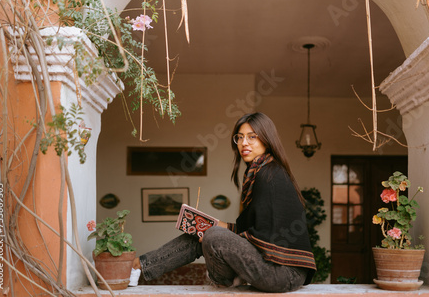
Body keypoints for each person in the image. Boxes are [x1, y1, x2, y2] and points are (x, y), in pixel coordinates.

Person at [129, 112, 316, 292]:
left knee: (212, 235)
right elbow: (245, 228)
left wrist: (213, 234)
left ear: (267, 140)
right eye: (240, 137)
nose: (244, 143)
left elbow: (266, 237)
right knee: (203, 231)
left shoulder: (270, 175)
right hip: (271, 268)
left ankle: (228, 279)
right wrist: (201, 223)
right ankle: (139, 265)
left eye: (252, 137)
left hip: (284, 273)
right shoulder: (258, 173)